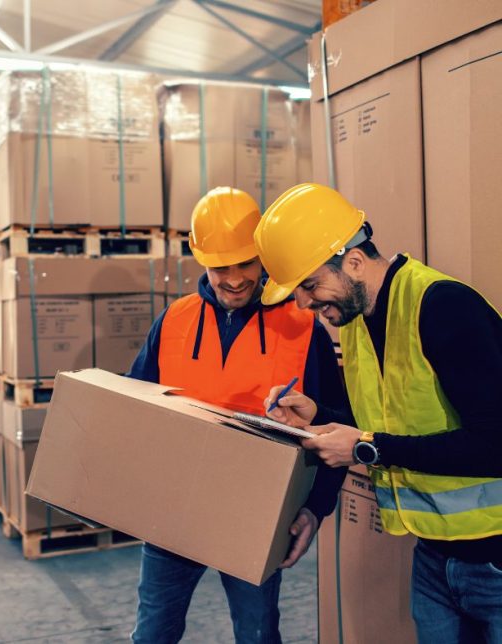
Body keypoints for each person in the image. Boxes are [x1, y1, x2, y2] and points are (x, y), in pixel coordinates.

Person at [255, 183, 502, 643]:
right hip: (432, 558)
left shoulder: (444, 307)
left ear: (352, 261)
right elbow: (390, 418)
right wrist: (317, 415)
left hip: (495, 562)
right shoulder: (356, 319)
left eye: (309, 285)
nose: (305, 303)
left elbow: (496, 443)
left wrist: (367, 449)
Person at [128, 187, 351, 643]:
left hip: (258, 515)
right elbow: (132, 407)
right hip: (173, 512)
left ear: (262, 259)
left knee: (258, 633)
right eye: (219, 266)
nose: (232, 279)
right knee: (152, 633)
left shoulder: (302, 325)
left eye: (244, 264)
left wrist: (315, 507)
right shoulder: (175, 321)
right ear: (201, 261)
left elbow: (337, 423)